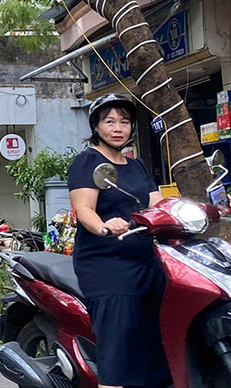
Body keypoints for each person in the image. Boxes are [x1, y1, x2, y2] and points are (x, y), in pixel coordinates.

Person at [67, 93, 170, 388]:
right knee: (119, 343)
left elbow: (158, 205)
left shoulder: (136, 166)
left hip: (145, 258)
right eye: (109, 121)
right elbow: (84, 209)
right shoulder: (88, 162)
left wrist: (202, 209)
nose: (117, 128)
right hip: (106, 262)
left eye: (124, 122)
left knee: (161, 333)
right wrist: (103, 226)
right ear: (96, 127)